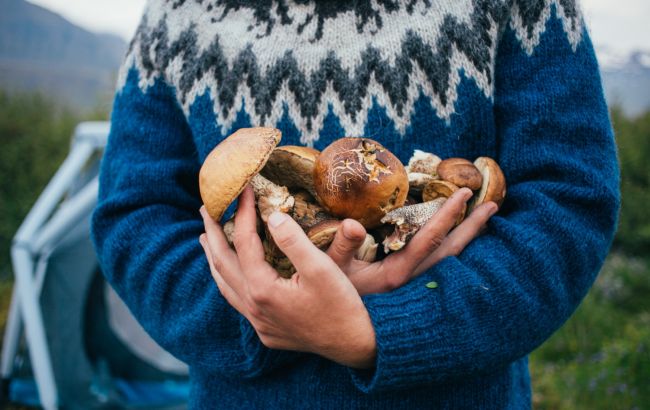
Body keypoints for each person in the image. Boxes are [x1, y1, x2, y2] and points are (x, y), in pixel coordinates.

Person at [91, 0, 620, 408]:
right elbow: (136, 216)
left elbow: (567, 201)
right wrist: (265, 310)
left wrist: (380, 329)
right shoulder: (177, 15)